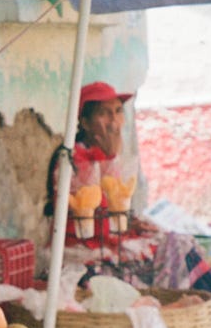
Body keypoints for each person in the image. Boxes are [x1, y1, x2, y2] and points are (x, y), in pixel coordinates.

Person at [43, 81, 152, 244]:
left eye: (118, 111)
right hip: (80, 245)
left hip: (106, 240)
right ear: (85, 123)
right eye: (104, 113)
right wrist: (110, 158)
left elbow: (117, 207)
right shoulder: (72, 157)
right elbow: (94, 210)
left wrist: (131, 223)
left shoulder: (105, 153)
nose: (114, 121)